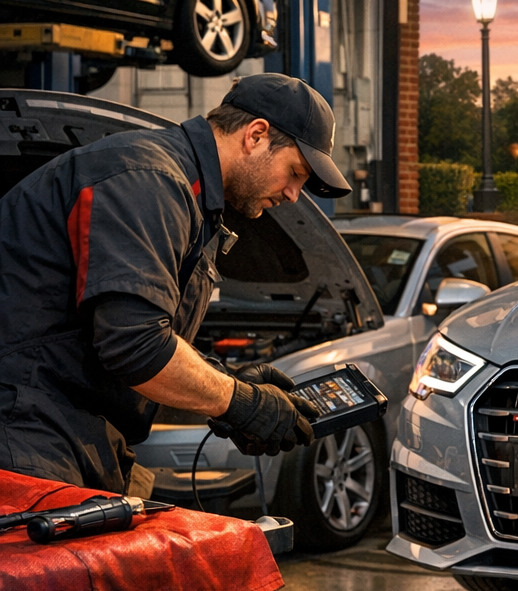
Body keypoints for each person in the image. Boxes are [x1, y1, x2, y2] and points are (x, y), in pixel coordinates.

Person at [0, 73, 351, 495]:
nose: (295, 194)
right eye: (295, 172)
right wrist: (239, 401)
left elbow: (145, 332)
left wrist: (226, 382)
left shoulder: (188, 194)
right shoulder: (148, 179)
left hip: (68, 423)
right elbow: (134, 347)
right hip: (22, 422)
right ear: (256, 135)